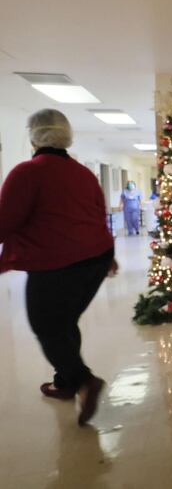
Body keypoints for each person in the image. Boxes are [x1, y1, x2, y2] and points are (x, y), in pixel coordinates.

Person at [0, 108, 117, 426]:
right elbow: (98, 213)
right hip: (97, 257)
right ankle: (65, 382)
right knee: (64, 322)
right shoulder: (83, 173)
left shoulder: (27, 172)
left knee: (47, 327)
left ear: (34, 137)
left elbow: (5, 220)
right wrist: (110, 256)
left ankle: (83, 380)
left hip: (58, 262)